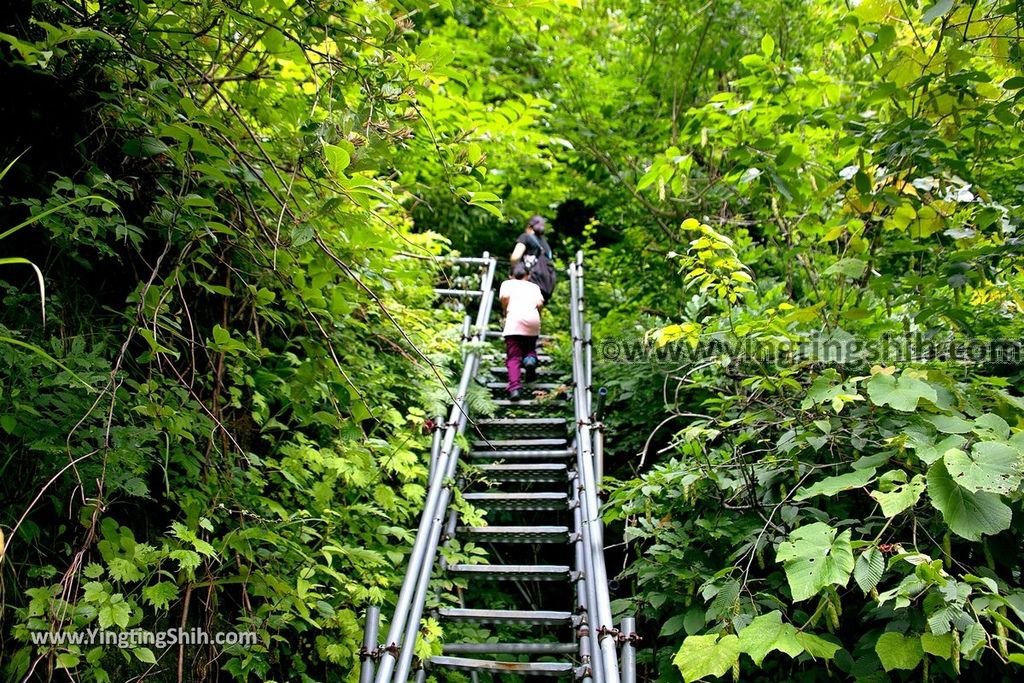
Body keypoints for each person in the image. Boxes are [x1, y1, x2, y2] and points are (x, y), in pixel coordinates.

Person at [499, 262, 544, 400]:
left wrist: (505, 311)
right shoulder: (534, 286)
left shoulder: (507, 284)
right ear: (528, 275)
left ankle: (515, 389)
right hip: (532, 320)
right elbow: (540, 303)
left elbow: (505, 297)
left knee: (513, 357)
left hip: (514, 321)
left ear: (510, 275)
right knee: (530, 347)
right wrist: (538, 315)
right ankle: (530, 360)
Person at [510, 215, 556, 302]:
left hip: (530, 283)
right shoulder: (546, 245)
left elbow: (515, 258)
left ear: (529, 227)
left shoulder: (526, 237)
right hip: (545, 287)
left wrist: (514, 273)